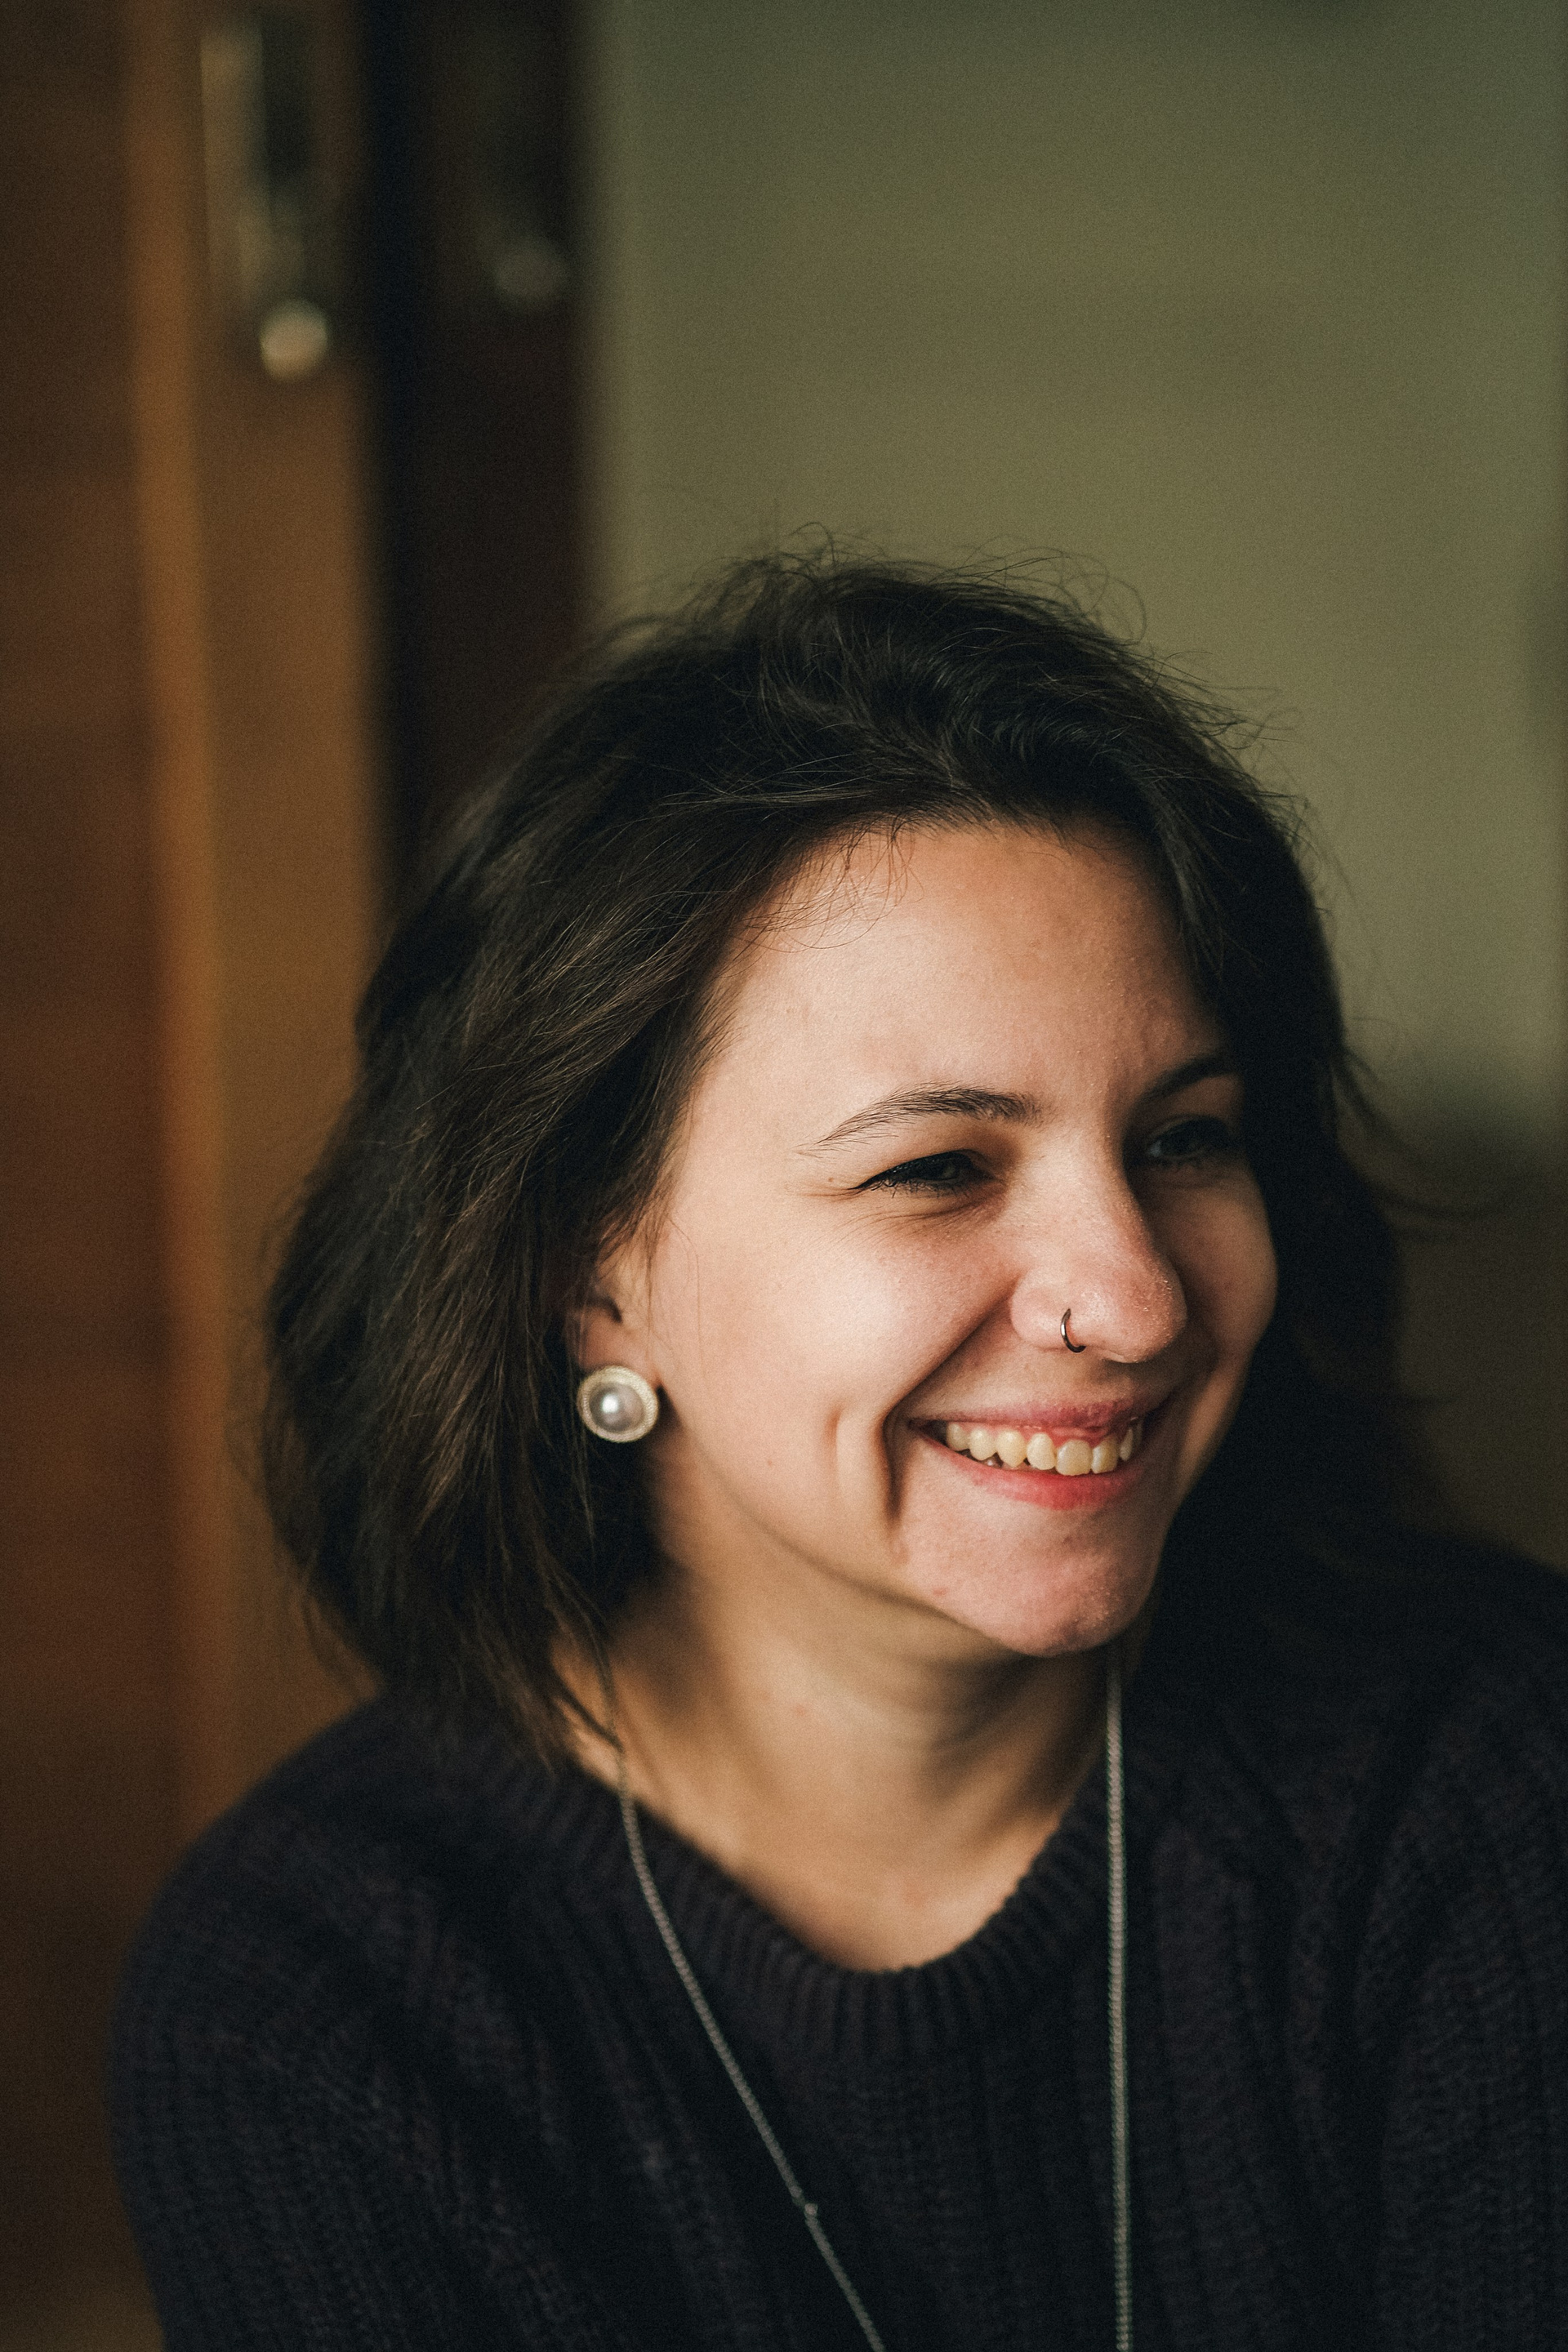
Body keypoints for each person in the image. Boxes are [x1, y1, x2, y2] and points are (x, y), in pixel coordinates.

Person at [112, 555, 1568, 2350]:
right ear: (587, 1279)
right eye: (938, 1167)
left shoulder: (1497, 1784)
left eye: (1185, 1139)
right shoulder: (318, 2002)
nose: (1134, 1300)